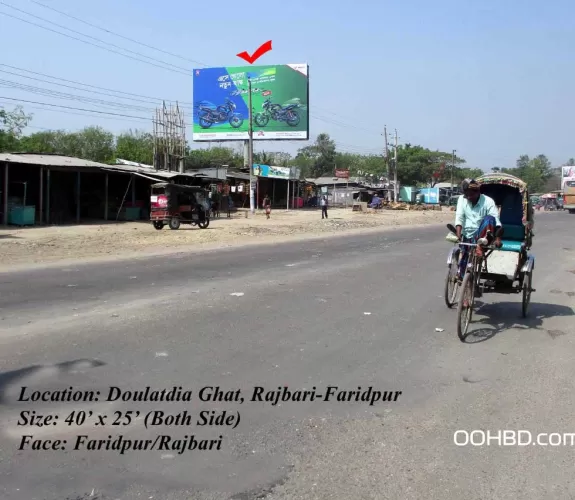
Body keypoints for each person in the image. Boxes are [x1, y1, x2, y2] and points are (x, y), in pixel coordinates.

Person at [455, 179, 503, 280]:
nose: (468, 198)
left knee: (490, 218)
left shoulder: (488, 201)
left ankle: (479, 247)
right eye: (466, 195)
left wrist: (498, 238)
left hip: (483, 236)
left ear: (477, 192)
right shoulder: (461, 199)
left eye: (470, 195)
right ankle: (463, 277)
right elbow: (459, 217)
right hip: (467, 234)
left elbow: (496, 221)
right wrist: (458, 235)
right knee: (462, 258)